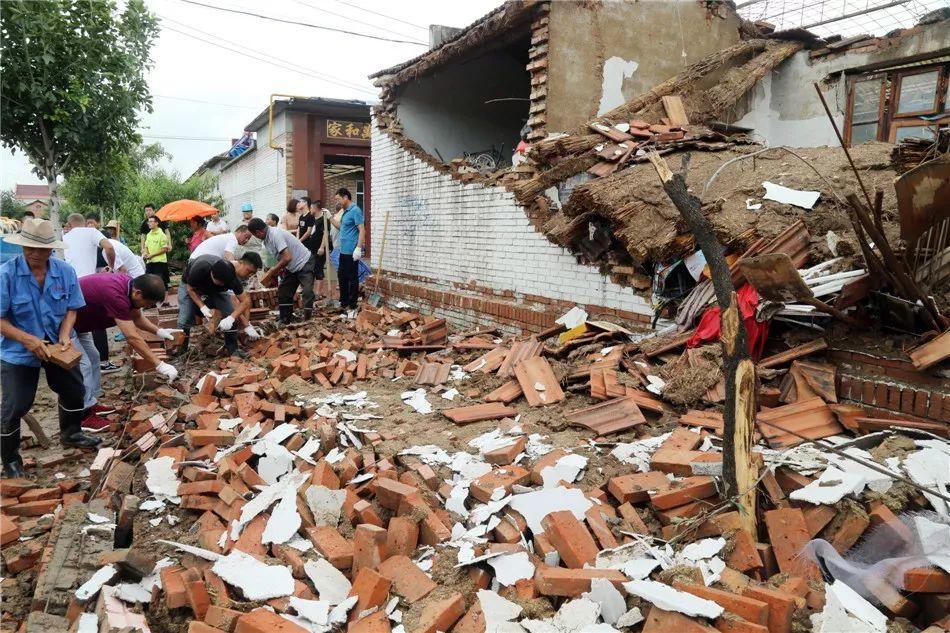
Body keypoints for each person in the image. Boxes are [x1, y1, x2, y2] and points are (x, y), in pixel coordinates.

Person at [0, 218, 101, 478]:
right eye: (28, 248)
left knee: (74, 389)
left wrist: (66, 334)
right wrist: (28, 340)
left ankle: (72, 433)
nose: (34, 254)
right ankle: (10, 460)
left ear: (51, 249)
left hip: (57, 345)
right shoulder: (6, 275)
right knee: (16, 405)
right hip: (18, 349)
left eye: (40, 249)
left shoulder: (64, 271)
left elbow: (71, 309)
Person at [73, 273, 178, 432]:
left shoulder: (130, 287)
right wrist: (159, 364)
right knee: (84, 365)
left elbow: (137, 318)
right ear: (138, 294)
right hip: (62, 323)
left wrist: (159, 331)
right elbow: (132, 337)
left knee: (94, 357)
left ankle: (90, 404)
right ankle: (83, 416)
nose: (143, 307)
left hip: (79, 324)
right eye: (146, 303)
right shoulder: (115, 295)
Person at [176, 253, 263, 356]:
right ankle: (181, 352)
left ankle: (233, 349)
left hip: (216, 291)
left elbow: (245, 301)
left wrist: (232, 318)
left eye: (223, 284)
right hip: (190, 286)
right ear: (212, 274)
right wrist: (202, 306)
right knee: (185, 317)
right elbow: (190, 289)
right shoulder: (201, 268)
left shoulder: (232, 278)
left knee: (229, 310)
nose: (221, 284)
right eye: (218, 282)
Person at [248, 218, 315, 323]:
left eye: (255, 235)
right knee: (284, 291)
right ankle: (285, 320)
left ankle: (308, 320)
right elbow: (281, 258)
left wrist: (273, 271)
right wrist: (275, 271)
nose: (257, 237)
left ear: (258, 232)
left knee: (307, 291)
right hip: (291, 267)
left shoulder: (275, 235)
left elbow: (287, 257)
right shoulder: (266, 240)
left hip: (304, 262)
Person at [330, 187, 364, 319]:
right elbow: (341, 227)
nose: (337, 202)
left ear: (345, 198)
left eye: (338, 199)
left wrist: (358, 248)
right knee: (342, 276)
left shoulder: (355, 210)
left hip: (352, 251)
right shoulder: (345, 212)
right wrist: (330, 218)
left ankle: (352, 304)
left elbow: (362, 229)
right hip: (343, 251)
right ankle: (343, 302)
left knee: (352, 278)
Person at [64, 213, 115, 278]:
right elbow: (109, 247)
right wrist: (111, 267)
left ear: (68, 224)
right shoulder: (92, 232)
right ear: (85, 223)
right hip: (88, 279)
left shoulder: (65, 237)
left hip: (71, 279)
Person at [298, 198, 326, 296]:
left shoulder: (323, 220)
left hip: (319, 249)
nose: (310, 210)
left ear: (314, 208)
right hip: (312, 248)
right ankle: (311, 291)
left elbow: (325, 234)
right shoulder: (314, 220)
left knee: (319, 269)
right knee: (311, 269)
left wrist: (322, 247)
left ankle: (318, 292)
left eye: (311, 208)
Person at [143, 215, 171, 287]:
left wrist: (152, 255)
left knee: (161, 284)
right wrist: (146, 253)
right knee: (148, 283)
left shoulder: (162, 235)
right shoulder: (149, 234)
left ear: (156, 223)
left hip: (160, 263)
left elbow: (165, 249)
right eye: (148, 222)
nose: (149, 223)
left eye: (151, 221)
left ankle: (163, 298)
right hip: (150, 262)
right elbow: (146, 246)